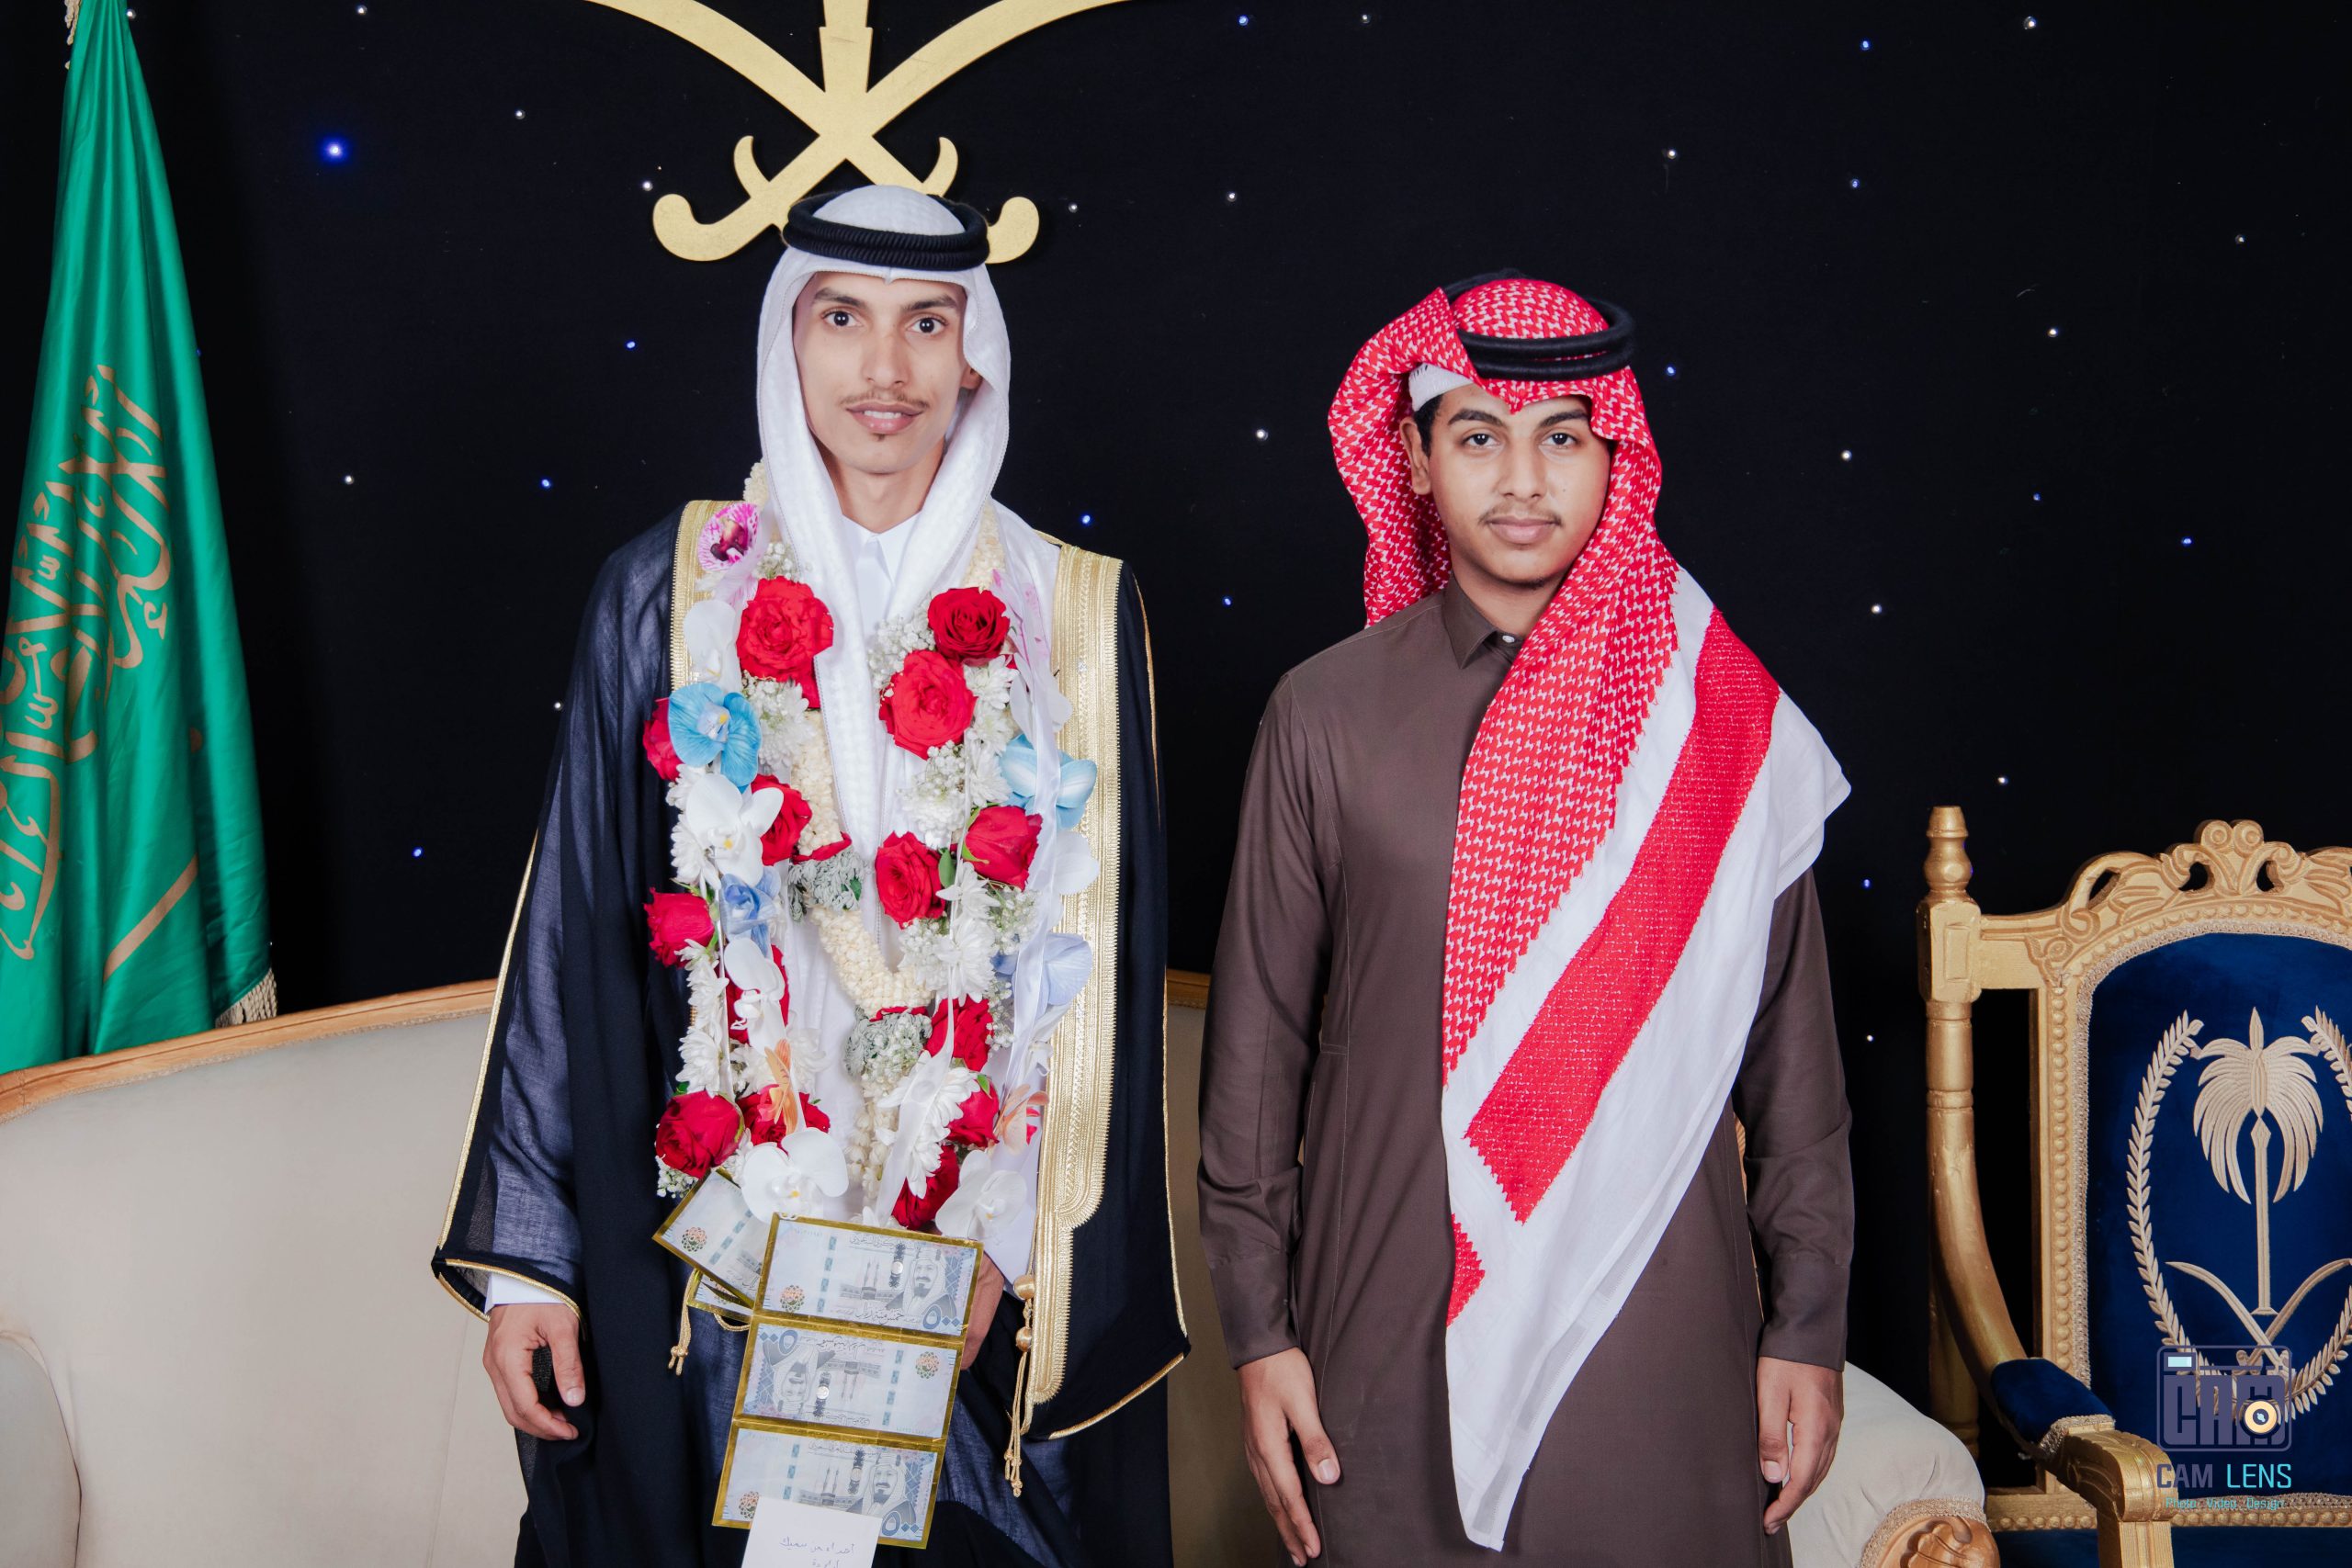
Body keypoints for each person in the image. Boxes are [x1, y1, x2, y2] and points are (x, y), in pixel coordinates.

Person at [433, 185, 1185, 1568]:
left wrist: (1011, 1243)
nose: (885, 369)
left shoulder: (1070, 608)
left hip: (965, 1265)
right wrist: (531, 1258)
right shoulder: (668, 592)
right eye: (842, 319)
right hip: (714, 1253)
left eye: (927, 323)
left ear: (976, 351)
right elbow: (574, 934)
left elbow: (1102, 977)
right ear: (788, 336)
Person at [1197, 272, 1854, 1564]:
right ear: (1414, 458)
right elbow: (1256, 1056)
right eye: (1477, 435)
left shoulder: (1713, 723)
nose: (1521, 480)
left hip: (1657, 1326)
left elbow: (1796, 1070)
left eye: (1562, 437)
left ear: (1616, 456)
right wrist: (1258, 1331)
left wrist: (1808, 1326)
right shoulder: (1325, 714)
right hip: (1386, 1329)